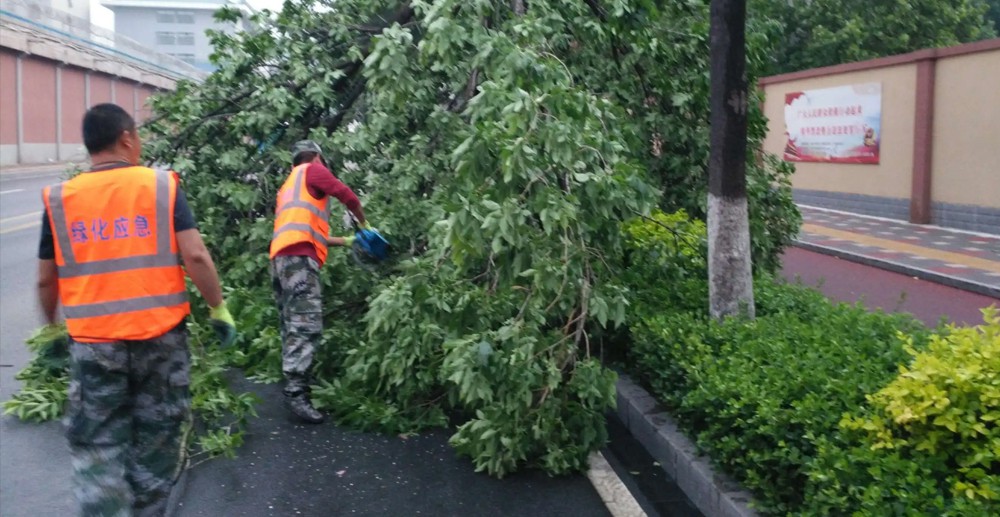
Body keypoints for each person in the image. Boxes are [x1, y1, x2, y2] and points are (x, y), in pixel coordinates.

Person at [36, 103, 237, 516]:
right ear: (126, 138)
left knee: (98, 444)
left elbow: (45, 279)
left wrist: (53, 330)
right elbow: (195, 255)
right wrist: (218, 308)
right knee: (158, 439)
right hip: (160, 341)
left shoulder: (61, 198)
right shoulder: (160, 186)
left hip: (94, 346)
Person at [269, 140, 368, 424]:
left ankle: (295, 382)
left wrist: (348, 241)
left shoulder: (288, 187)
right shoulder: (312, 170)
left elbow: (309, 233)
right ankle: (296, 393)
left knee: (291, 322)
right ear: (316, 156)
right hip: (299, 260)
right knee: (306, 324)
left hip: (281, 260)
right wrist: (366, 226)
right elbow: (348, 196)